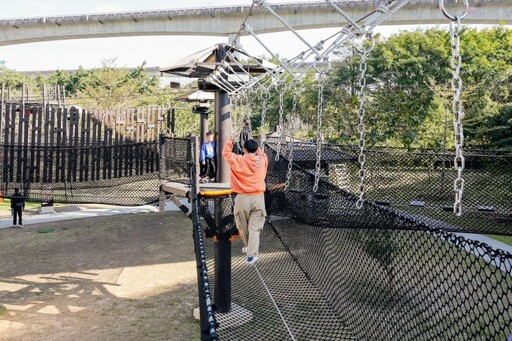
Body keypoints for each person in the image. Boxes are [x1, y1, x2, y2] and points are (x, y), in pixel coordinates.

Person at [222, 138, 268, 265]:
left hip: (242, 197)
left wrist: (230, 140)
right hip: (259, 198)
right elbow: (262, 153)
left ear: (244, 149)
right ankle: (251, 254)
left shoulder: (238, 159)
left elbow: (225, 153)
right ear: (256, 149)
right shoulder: (262, 160)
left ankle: (250, 250)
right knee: (254, 228)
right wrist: (257, 148)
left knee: (242, 226)